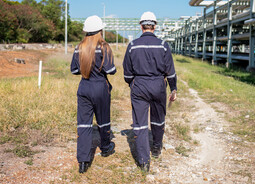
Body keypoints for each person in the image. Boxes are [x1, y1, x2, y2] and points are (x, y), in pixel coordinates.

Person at [123, 11, 177, 172]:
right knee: (158, 118)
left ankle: (143, 161)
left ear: (141, 26)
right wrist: (173, 88)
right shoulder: (163, 45)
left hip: (139, 85)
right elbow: (171, 71)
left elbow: (127, 73)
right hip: (158, 85)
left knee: (139, 124)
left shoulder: (132, 45)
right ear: (155, 26)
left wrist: (132, 83)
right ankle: (156, 148)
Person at [70, 15, 116, 173]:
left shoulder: (79, 47)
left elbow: (74, 70)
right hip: (100, 87)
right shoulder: (104, 46)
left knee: (83, 124)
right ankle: (105, 148)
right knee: (103, 120)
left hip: (84, 86)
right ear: (100, 30)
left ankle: (83, 161)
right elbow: (111, 70)